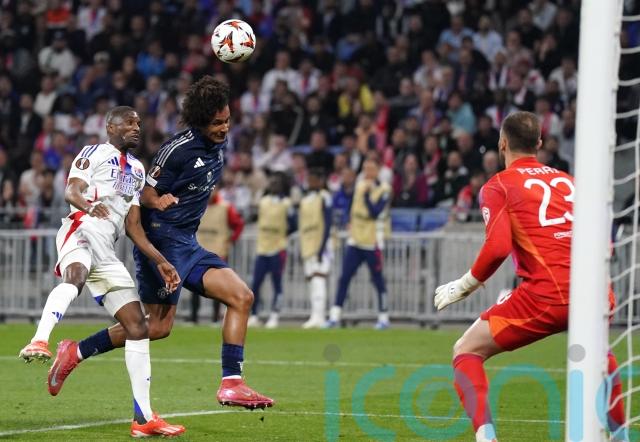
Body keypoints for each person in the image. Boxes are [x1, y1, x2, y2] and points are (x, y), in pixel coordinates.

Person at [35, 76, 274, 410]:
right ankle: (75, 352)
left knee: (241, 297)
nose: (224, 128)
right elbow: (146, 192)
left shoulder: (217, 145)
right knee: (157, 327)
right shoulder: (177, 150)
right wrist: (157, 201)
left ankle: (232, 383)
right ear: (201, 121)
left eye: (227, 120)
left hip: (188, 243)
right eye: (218, 123)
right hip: (162, 242)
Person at [433, 111, 625, 441]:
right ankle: (621, 437)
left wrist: (463, 286)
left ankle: (486, 438)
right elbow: (604, 241)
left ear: (502, 143)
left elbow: (497, 248)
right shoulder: (570, 181)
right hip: (595, 290)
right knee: (599, 354)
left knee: (467, 350)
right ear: (539, 143)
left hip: (548, 296)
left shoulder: (499, 185)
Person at [18, 106, 185, 437]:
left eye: (139, 123)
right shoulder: (92, 152)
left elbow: (133, 226)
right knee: (75, 278)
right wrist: (88, 205)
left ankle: (143, 419)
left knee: (138, 327)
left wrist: (160, 260)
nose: (136, 127)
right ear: (111, 127)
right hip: (80, 229)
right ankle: (39, 340)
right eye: (129, 123)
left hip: (107, 252)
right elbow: (72, 191)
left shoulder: (137, 169)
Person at [327, 157, 391, 329]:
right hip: (355, 239)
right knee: (344, 277)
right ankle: (334, 316)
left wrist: (367, 195)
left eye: (371, 169)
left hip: (373, 241)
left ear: (378, 170)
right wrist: (348, 220)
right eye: (365, 168)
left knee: (377, 279)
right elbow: (352, 205)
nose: (367, 172)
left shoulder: (384, 189)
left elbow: (375, 212)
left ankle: (383, 317)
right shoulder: (359, 184)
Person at [248, 172, 296, 329]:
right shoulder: (263, 201)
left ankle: (275, 315)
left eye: (277, 182)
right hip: (262, 248)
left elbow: (294, 224)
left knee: (277, 284)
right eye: (272, 182)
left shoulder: (286, 203)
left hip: (278, 248)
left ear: (282, 185)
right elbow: (254, 217)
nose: (274, 184)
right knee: (256, 283)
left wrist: (283, 234)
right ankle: (254, 315)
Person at [193, 188, 244, 324]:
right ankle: (194, 317)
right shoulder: (198, 204)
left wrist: (231, 240)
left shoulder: (225, 207)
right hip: (198, 251)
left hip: (218, 252)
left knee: (218, 286)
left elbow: (238, 224)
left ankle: (215, 318)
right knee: (193, 285)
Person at [298, 168, 333, 328]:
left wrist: (322, 247)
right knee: (312, 281)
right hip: (308, 244)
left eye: (313, 179)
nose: (310, 182)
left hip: (321, 244)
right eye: (309, 179)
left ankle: (320, 316)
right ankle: (315, 315)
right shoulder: (305, 199)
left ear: (320, 181)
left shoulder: (325, 197)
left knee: (319, 279)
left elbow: (328, 222)